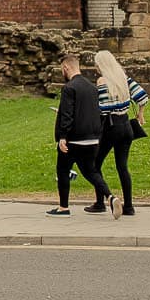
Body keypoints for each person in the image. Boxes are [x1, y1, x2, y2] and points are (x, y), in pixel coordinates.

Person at [50, 55, 113, 217]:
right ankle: (110, 197)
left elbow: (67, 114)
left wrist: (62, 136)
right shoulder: (92, 88)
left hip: (74, 139)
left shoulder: (69, 88)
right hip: (92, 137)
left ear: (66, 68)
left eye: (62, 69)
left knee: (63, 170)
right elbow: (94, 112)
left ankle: (63, 207)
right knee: (91, 171)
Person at [93, 49, 149, 217]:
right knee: (122, 166)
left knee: (95, 164)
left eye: (96, 63)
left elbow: (103, 108)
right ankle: (129, 206)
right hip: (126, 126)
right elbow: (142, 96)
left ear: (101, 64)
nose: (95, 66)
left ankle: (101, 201)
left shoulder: (102, 81)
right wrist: (140, 113)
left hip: (111, 126)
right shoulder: (123, 78)